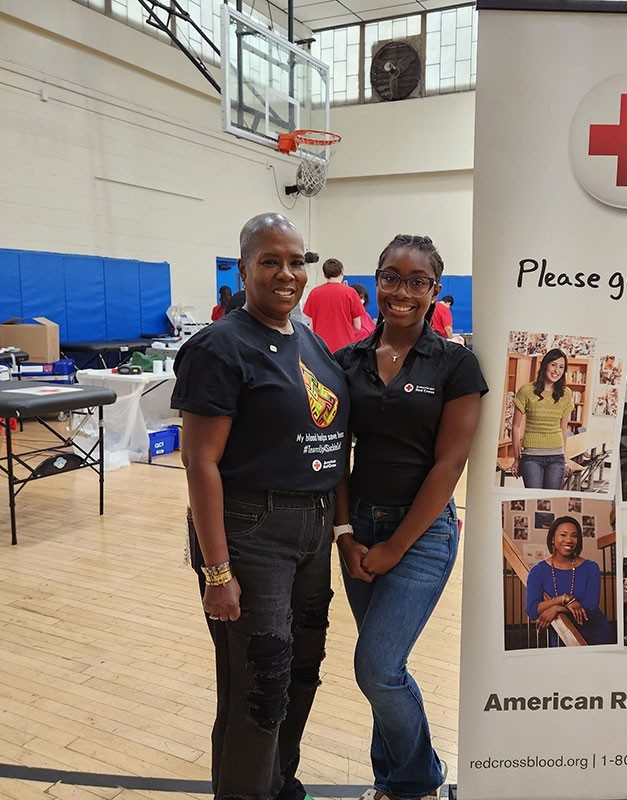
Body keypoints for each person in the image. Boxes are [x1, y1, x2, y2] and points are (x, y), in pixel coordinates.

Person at [171, 213, 349, 800]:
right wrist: (217, 572)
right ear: (244, 269)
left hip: (312, 530)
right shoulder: (219, 347)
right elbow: (199, 462)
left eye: (296, 261)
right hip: (252, 532)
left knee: (301, 670)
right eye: (270, 261)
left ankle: (279, 783)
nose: (286, 273)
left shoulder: (310, 342)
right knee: (259, 682)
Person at [334, 234, 487, 800]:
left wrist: (395, 546)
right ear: (375, 281)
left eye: (416, 281)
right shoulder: (347, 362)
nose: (401, 291)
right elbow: (336, 455)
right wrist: (344, 533)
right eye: (390, 277)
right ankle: (393, 784)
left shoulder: (455, 364)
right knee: (386, 667)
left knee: (377, 667)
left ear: (434, 290)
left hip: (421, 536)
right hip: (358, 529)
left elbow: (450, 465)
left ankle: (419, 779)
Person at [526, 516, 614, 647]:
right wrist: (562, 599)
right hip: (562, 637)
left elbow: (590, 607)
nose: (569, 540)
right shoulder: (538, 571)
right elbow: (532, 610)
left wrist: (556, 608)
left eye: (574, 536)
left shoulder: (591, 567)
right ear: (552, 539)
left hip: (596, 635)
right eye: (563, 535)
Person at [511, 348, 574, 490]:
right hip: (531, 457)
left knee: (550, 500)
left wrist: (564, 459)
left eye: (561, 367)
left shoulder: (566, 394)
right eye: (553, 364)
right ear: (545, 365)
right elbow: (515, 426)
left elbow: (564, 429)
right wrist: (516, 459)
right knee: (533, 499)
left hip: (556, 456)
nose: (557, 370)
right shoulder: (526, 391)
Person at [302, 257, 363, 352]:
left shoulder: (314, 293)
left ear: (324, 275)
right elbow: (357, 326)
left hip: (321, 348)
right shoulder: (351, 293)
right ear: (342, 271)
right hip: (345, 347)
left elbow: (312, 327)